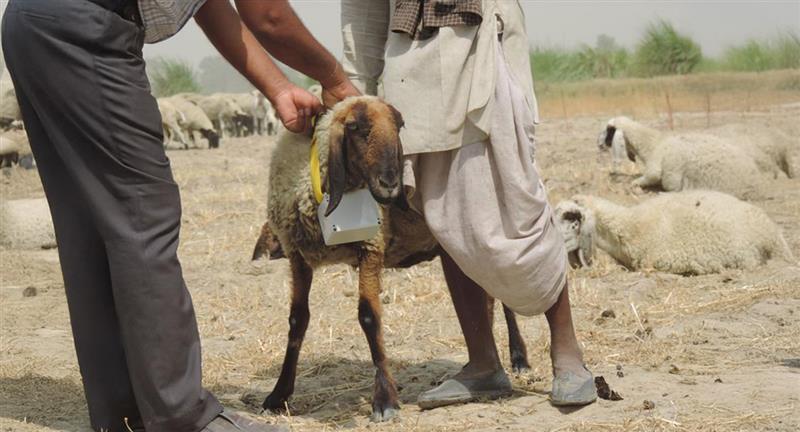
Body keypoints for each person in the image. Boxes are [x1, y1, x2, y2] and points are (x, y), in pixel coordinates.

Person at [1, 0, 357, 431]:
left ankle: (124, 412)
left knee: (90, 224)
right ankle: (181, 416)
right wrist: (335, 79)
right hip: (86, 28)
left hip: (33, 21)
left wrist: (280, 88)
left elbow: (208, 5)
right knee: (141, 213)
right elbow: (269, 16)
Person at [334, 0, 597, 408]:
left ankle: (567, 353)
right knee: (445, 215)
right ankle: (482, 364)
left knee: (515, 204)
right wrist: (355, 83)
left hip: (481, 52)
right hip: (411, 69)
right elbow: (362, 9)